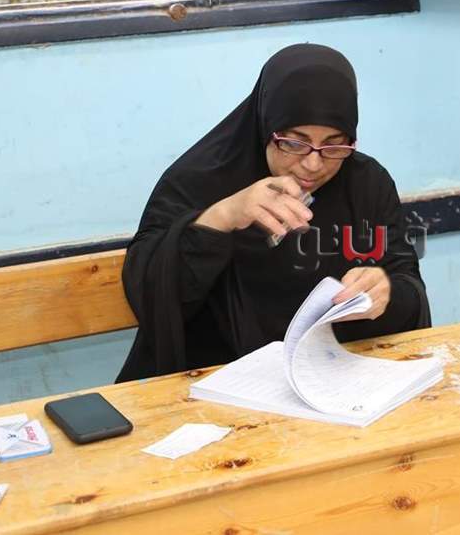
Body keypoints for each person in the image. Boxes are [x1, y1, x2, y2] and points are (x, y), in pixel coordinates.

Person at [117, 44, 430, 382]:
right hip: (211, 380)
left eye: (334, 145)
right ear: (267, 127)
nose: (313, 164)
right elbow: (150, 293)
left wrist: (386, 293)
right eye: (294, 143)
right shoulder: (199, 181)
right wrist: (223, 216)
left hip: (331, 378)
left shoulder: (366, 183)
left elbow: (407, 285)